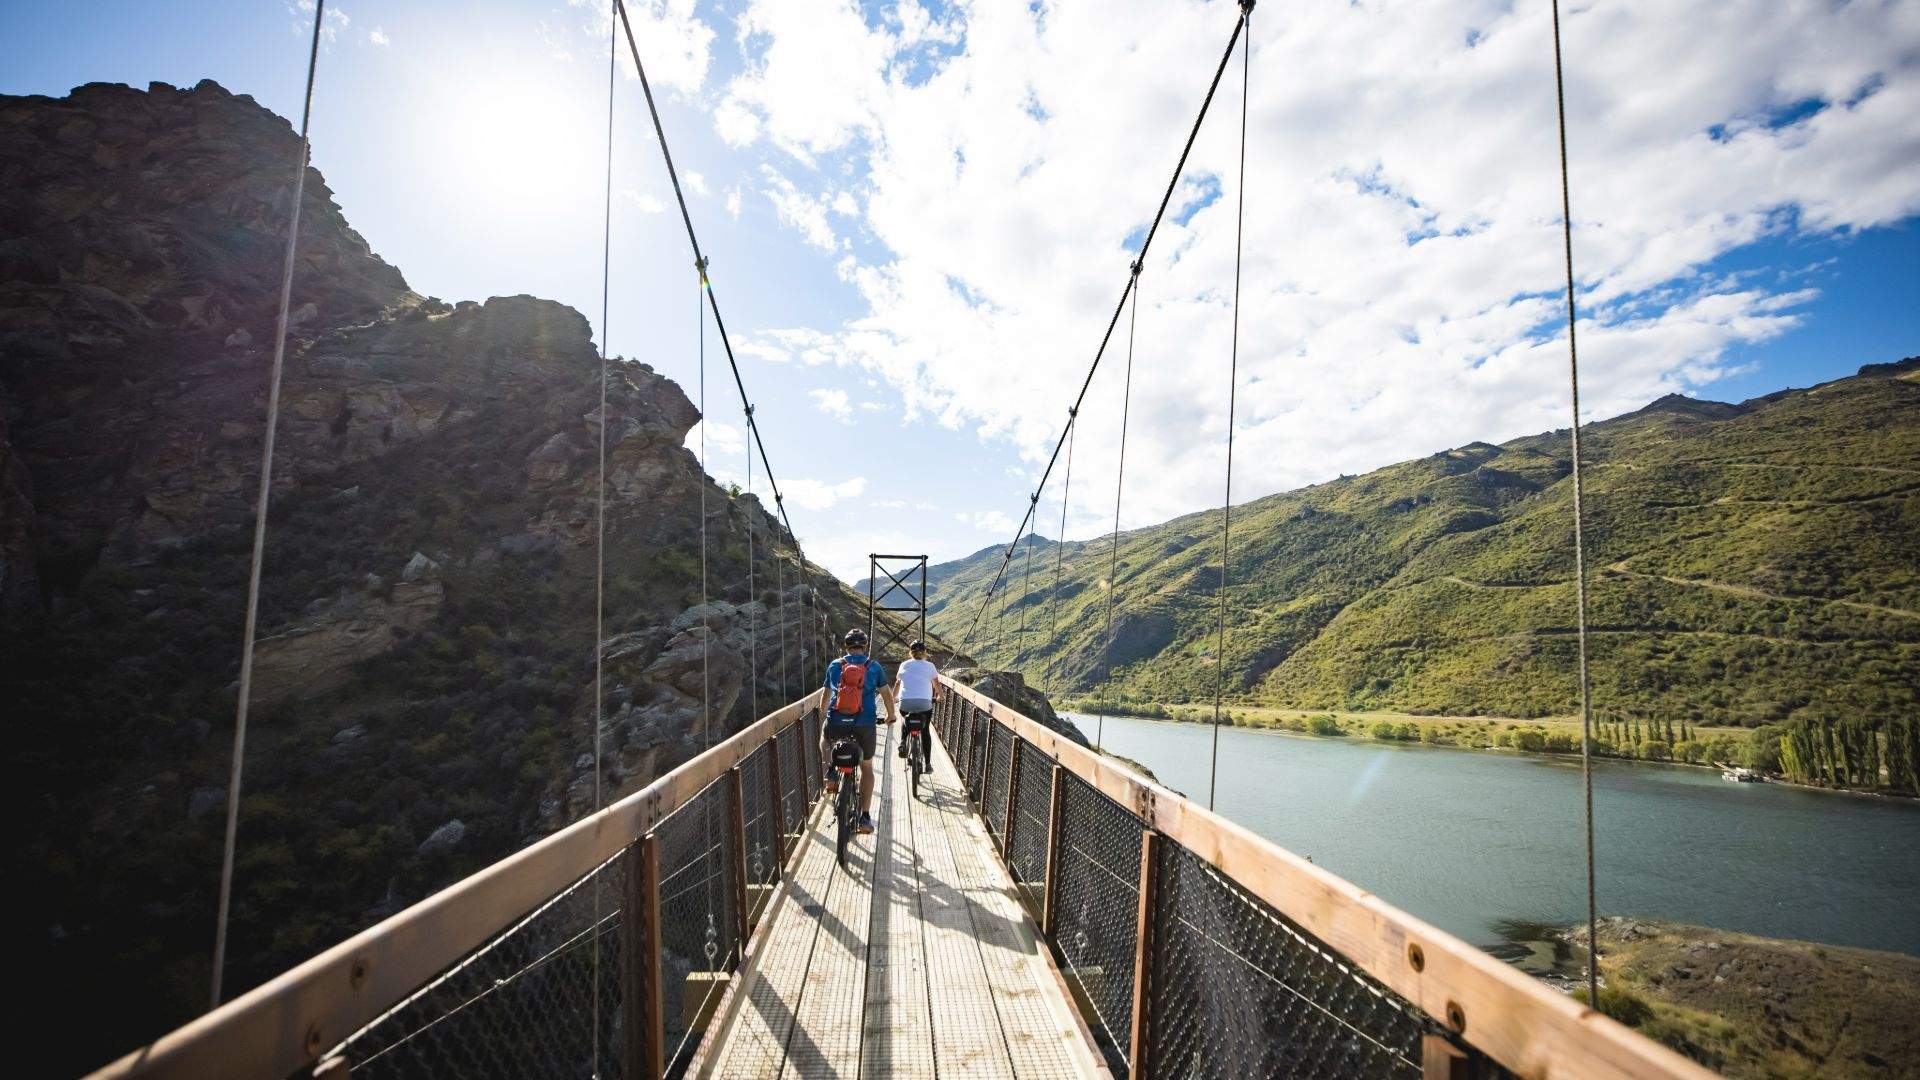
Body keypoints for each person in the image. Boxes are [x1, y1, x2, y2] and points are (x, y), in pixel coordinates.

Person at [820, 628, 897, 835]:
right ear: (864, 647)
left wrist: (825, 711)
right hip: (865, 723)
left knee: (824, 738)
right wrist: (891, 716)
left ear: (846, 646)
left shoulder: (835, 665)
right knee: (867, 768)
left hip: (837, 722)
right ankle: (864, 817)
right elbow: (887, 695)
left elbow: (825, 696)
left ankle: (830, 773)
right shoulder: (874, 667)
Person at [895, 639, 937, 759]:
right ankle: (928, 764)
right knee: (925, 730)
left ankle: (903, 741)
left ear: (910, 652)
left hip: (905, 703)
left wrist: (894, 698)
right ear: (925, 652)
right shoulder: (930, 666)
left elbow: (897, 683)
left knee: (905, 719)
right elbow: (937, 684)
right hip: (924, 704)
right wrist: (941, 696)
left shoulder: (904, 664)